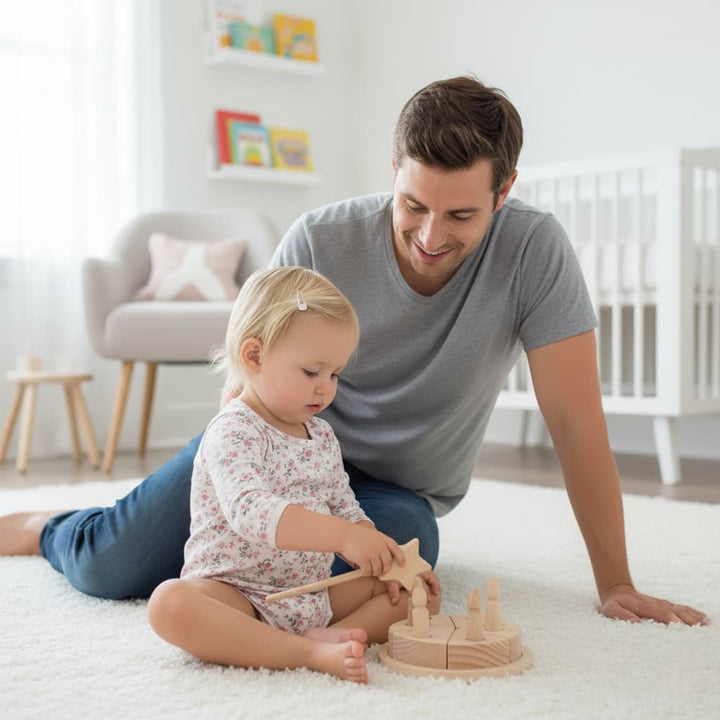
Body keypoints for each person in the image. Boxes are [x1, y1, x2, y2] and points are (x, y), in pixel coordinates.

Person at [0, 75, 708, 627]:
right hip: (271, 456)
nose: (431, 236)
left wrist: (616, 583)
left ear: (505, 190)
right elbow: (243, 398)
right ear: (393, 166)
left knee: (404, 550)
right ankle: (49, 527)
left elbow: (578, 423)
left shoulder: (535, 250)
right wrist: (240, 502)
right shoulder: (319, 238)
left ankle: (269, 626)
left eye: (461, 215)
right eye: (413, 206)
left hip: (388, 493)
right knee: (109, 568)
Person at [146, 266, 441, 683]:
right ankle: (306, 653)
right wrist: (343, 536)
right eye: (311, 372)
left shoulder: (320, 435)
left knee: (416, 593)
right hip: (235, 594)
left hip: (309, 594)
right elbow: (250, 510)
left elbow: (344, 503)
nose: (326, 388)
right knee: (169, 604)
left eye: (335, 374)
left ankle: (331, 637)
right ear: (254, 356)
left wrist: (375, 547)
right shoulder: (234, 429)